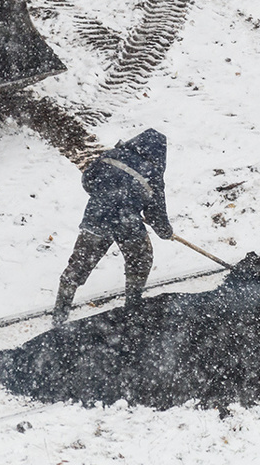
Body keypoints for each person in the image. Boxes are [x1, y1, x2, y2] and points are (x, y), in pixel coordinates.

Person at [52, 129, 173, 327]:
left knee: (79, 265)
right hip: (128, 225)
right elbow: (155, 213)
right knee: (140, 261)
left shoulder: (110, 156)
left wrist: (105, 196)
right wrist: (165, 232)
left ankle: (59, 314)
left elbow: (88, 180)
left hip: (96, 217)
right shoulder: (152, 172)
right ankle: (133, 308)